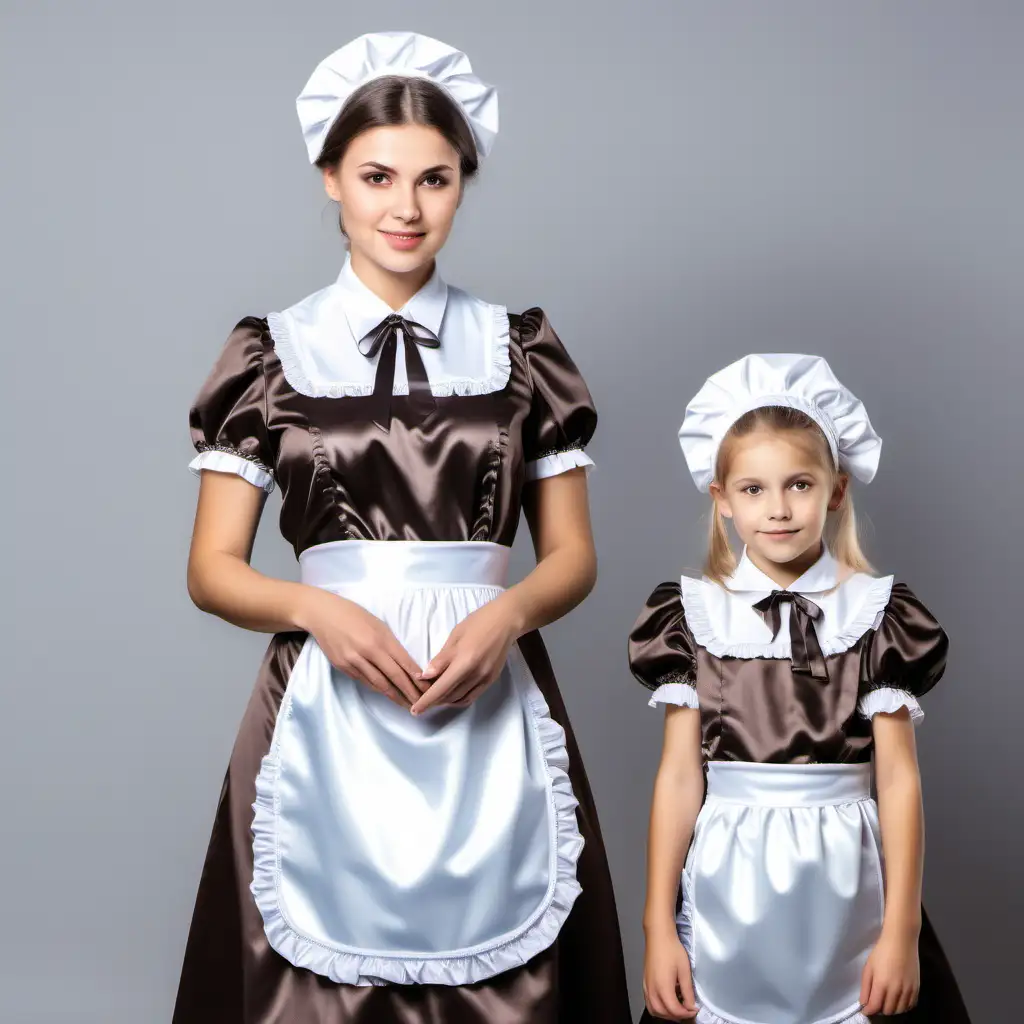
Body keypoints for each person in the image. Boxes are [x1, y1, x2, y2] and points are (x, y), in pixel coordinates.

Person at [173, 31, 631, 1024]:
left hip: (490, 687)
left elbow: (575, 555)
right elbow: (211, 568)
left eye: (434, 179)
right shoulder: (270, 353)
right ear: (329, 176)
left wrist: (505, 619)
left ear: (463, 183)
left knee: (507, 970)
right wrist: (313, 610)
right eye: (377, 175)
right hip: (321, 697)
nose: (406, 207)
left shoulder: (522, 350)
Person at [628, 354, 970, 1023]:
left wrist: (901, 933)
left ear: (836, 491)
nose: (778, 510)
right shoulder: (694, 615)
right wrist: (657, 927)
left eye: (799, 485)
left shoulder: (876, 614)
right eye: (752, 490)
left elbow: (897, 783)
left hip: (848, 892)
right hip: (728, 890)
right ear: (721, 500)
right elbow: (677, 779)